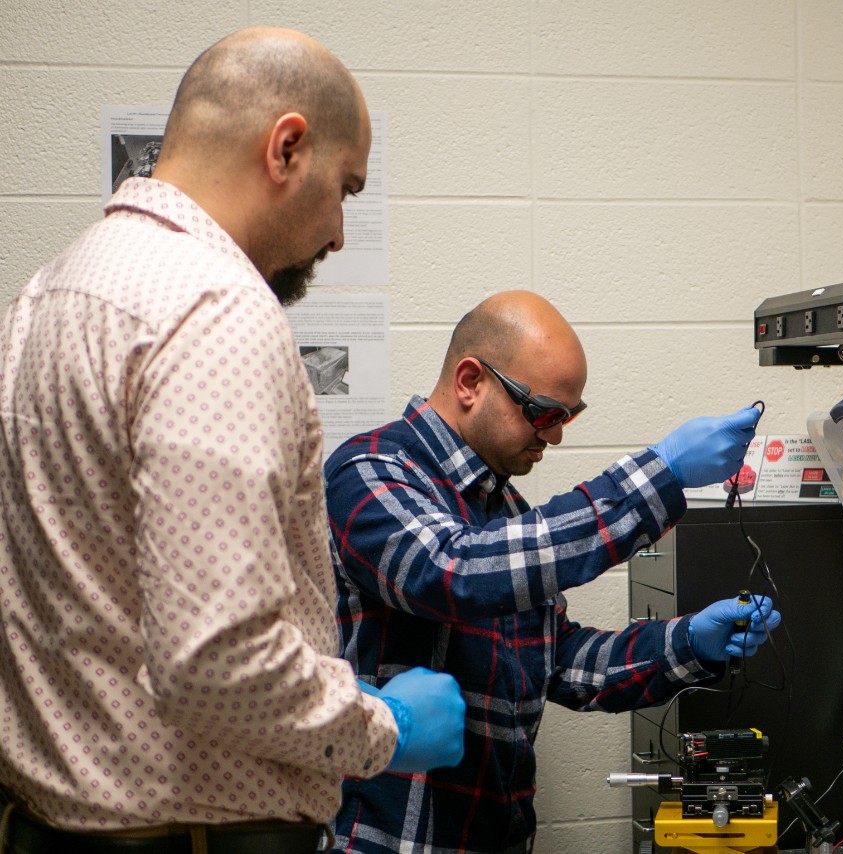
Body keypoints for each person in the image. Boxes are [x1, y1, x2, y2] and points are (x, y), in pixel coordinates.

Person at [0, 28, 464, 854]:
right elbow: (218, 660)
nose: (340, 234)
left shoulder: (48, 291)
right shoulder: (215, 309)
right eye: (346, 190)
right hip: (193, 836)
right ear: (287, 147)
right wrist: (382, 726)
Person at [324, 290, 782, 854]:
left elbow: (558, 662)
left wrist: (688, 642)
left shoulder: (508, 514)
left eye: (569, 415)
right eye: (543, 412)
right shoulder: (370, 470)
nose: (556, 433)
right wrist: (657, 474)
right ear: (471, 382)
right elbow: (451, 573)